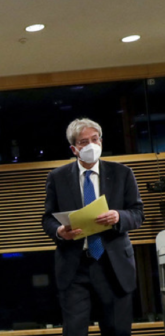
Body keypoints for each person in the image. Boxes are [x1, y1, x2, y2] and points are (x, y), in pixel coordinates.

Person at [42, 118, 144, 336]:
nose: (91, 145)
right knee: (74, 332)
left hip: (113, 264)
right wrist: (59, 232)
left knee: (117, 330)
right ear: (74, 149)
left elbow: (137, 213)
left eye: (95, 139)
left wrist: (119, 216)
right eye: (83, 142)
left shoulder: (122, 173)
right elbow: (48, 219)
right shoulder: (57, 177)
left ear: (101, 142)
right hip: (74, 265)